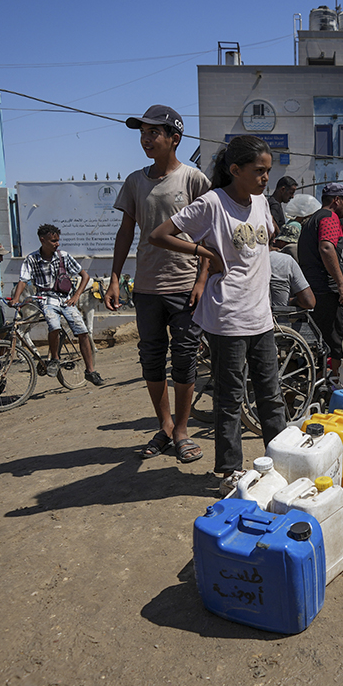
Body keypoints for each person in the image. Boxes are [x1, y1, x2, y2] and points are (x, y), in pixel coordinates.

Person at [148, 135, 285, 484]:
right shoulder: (212, 203)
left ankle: (282, 462)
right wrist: (204, 253)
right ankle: (228, 469)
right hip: (228, 317)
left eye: (268, 171)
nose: (265, 178)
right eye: (259, 171)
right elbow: (160, 234)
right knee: (230, 398)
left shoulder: (261, 202)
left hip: (261, 316)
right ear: (235, 169)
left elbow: (268, 237)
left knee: (271, 395)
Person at [106, 105, 208, 462]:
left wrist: (202, 278)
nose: (146, 139)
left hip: (184, 285)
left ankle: (182, 430)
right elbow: (125, 232)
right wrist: (116, 277)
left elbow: (210, 235)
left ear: (174, 139)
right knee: (150, 360)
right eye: (142, 133)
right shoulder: (135, 181)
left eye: (154, 133)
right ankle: (164, 426)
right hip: (147, 287)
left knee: (183, 360)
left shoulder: (193, 180)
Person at [11, 224, 104, 387]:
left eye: (58, 240)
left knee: (82, 331)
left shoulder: (64, 256)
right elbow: (23, 280)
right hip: (45, 298)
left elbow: (85, 276)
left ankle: (90, 371)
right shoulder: (32, 259)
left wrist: (76, 296)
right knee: (54, 326)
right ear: (42, 240)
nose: (57, 244)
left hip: (65, 299)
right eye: (53, 241)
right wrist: (16, 299)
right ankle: (54, 358)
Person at [296, 183, 343, 364]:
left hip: (314, 288)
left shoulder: (310, 221)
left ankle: (322, 381)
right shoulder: (329, 217)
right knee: (340, 344)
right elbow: (327, 248)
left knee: (321, 342)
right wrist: (341, 283)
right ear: (336, 200)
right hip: (328, 291)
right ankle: (337, 385)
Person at [269, 230, 315, 311]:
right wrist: (290, 301)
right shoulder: (285, 260)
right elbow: (309, 302)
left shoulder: (241, 261)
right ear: (273, 237)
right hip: (279, 321)